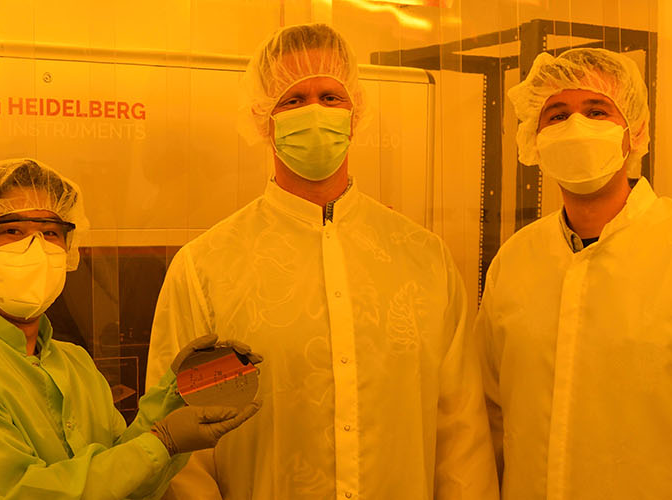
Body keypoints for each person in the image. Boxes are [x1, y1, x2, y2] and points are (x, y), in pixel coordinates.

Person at [145, 24, 499, 499]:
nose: (314, 111)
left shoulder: (423, 258)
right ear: (263, 118)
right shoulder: (204, 268)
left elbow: (461, 434)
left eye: (330, 96)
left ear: (356, 113)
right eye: (292, 100)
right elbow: (182, 448)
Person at [479, 48, 672, 499]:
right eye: (556, 115)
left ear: (633, 131)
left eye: (597, 111)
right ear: (533, 140)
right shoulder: (514, 263)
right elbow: (490, 414)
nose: (576, 126)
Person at [0, 159, 263, 499]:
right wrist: (162, 442)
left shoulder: (74, 364)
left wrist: (177, 396)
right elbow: (18, 492)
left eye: (50, 233)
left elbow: (125, 482)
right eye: (12, 231)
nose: (34, 248)